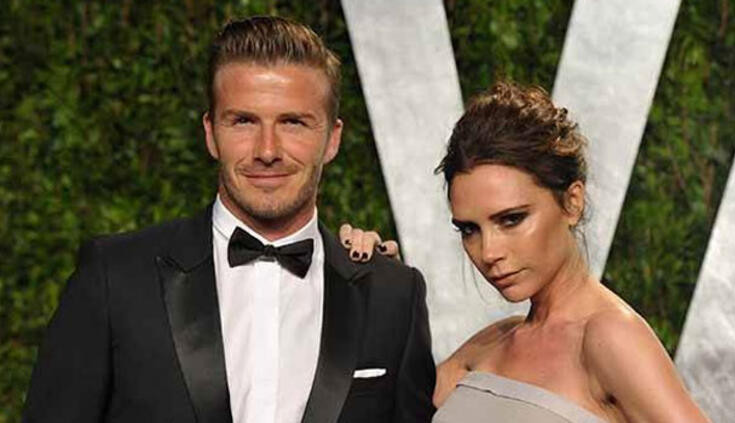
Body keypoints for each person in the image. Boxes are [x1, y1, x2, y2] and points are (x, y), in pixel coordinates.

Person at [23, 16, 435, 423]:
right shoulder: (115, 277)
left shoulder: (393, 296)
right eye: (243, 121)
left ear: (332, 139)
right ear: (210, 133)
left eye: (293, 122)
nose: (267, 151)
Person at [342, 80, 708, 422]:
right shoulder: (492, 342)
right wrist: (379, 289)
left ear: (572, 202)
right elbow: (386, 409)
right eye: (470, 229)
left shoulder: (609, 336)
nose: (488, 252)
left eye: (511, 219)